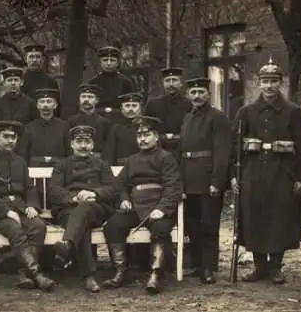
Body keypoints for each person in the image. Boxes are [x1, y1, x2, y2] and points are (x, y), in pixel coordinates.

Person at [231, 58, 301, 284]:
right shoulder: (246, 112)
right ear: (259, 83)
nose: (269, 86)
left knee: (279, 218)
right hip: (252, 172)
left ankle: (275, 267)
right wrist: (234, 176)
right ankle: (259, 267)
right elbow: (235, 146)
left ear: (281, 83)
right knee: (254, 217)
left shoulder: (293, 112)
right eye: (265, 81)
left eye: (274, 81)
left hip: (282, 173)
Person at [102, 116, 182, 294]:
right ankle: (120, 272)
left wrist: (162, 209)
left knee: (161, 229)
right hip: (135, 206)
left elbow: (173, 186)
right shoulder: (132, 160)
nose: (142, 139)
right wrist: (124, 198)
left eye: (146, 135)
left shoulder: (166, 158)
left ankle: (156, 274)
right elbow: (119, 183)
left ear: (156, 137)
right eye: (139, 136)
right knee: (113, 226)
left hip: (157, 205)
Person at [0, 120, 55, 291]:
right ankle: (37, 274)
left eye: (13, 137)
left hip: (20, 208)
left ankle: (24, 273)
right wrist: (5, 211)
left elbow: (29, 187)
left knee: (38, 226)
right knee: (15, 229)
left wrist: (32, 205)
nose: (10, 141)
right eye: (6, 136)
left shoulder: (20, 161)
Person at [48, 125, 116, 293]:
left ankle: (68, 247)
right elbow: (54, 190)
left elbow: (112, 188)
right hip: (68, 209)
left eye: (87, 142)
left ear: (93, 145)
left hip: (96, 208)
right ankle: (89, 277)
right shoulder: (61, 165)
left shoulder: (102, 164)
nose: (83, 146)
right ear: (72, 144)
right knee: (81, 224)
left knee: (84, 210)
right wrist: (74, 197)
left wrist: (94, 194)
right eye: (79, 141)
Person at [179, 77, 233, 284]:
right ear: (188, 96)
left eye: (201, 92)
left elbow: (223, 152)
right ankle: (197, 264)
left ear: (208, 94)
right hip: (189, 179)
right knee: (192, 224)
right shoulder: (187, 118)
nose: (197, 96)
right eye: (193, 93)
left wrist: (217, 182)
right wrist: (181, 182)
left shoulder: (218, 118)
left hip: (207, 179)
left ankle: (209, 267)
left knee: (209, 225)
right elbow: (182, 152)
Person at [145, 67, 192, 161]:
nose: (171, 84)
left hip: (182, 149)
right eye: (167, 80)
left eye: (174, 80)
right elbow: (148, 127)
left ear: (181, 83)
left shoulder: (189, 104)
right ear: (163, 83)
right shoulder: (152, 104)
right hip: (158, 149)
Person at [18, 88, 70, 167]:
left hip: (59, 172)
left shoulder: (64, 126)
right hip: (35, 173)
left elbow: (69, 153)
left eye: (49, 101)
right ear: (37, 105)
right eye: (42, 101)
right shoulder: (29, 128)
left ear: (55, 105)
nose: (45, 105)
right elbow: (23, 155)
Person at [89, 46, 135, 123]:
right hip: (97, 120)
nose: (109, 63)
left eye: (112, 60)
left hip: (119, 120)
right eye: (105, 60)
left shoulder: (126, 82)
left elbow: (132, 105)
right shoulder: (93, 82)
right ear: (100, 62)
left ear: (117, 63)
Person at [67, 83, 112, 156]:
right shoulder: (71, 121)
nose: (86, 99)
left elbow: (108, 147)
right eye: (83, 96)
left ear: (97, 100)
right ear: (79, 99)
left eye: (90, 97)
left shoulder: (104, 122)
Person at [101, 92, 144, 166]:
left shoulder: (146, 127)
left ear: (140, 108)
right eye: (127, 106)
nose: (131, 109)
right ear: (121, 109)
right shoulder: (116, 129)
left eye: (134, 106)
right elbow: (109, 154)